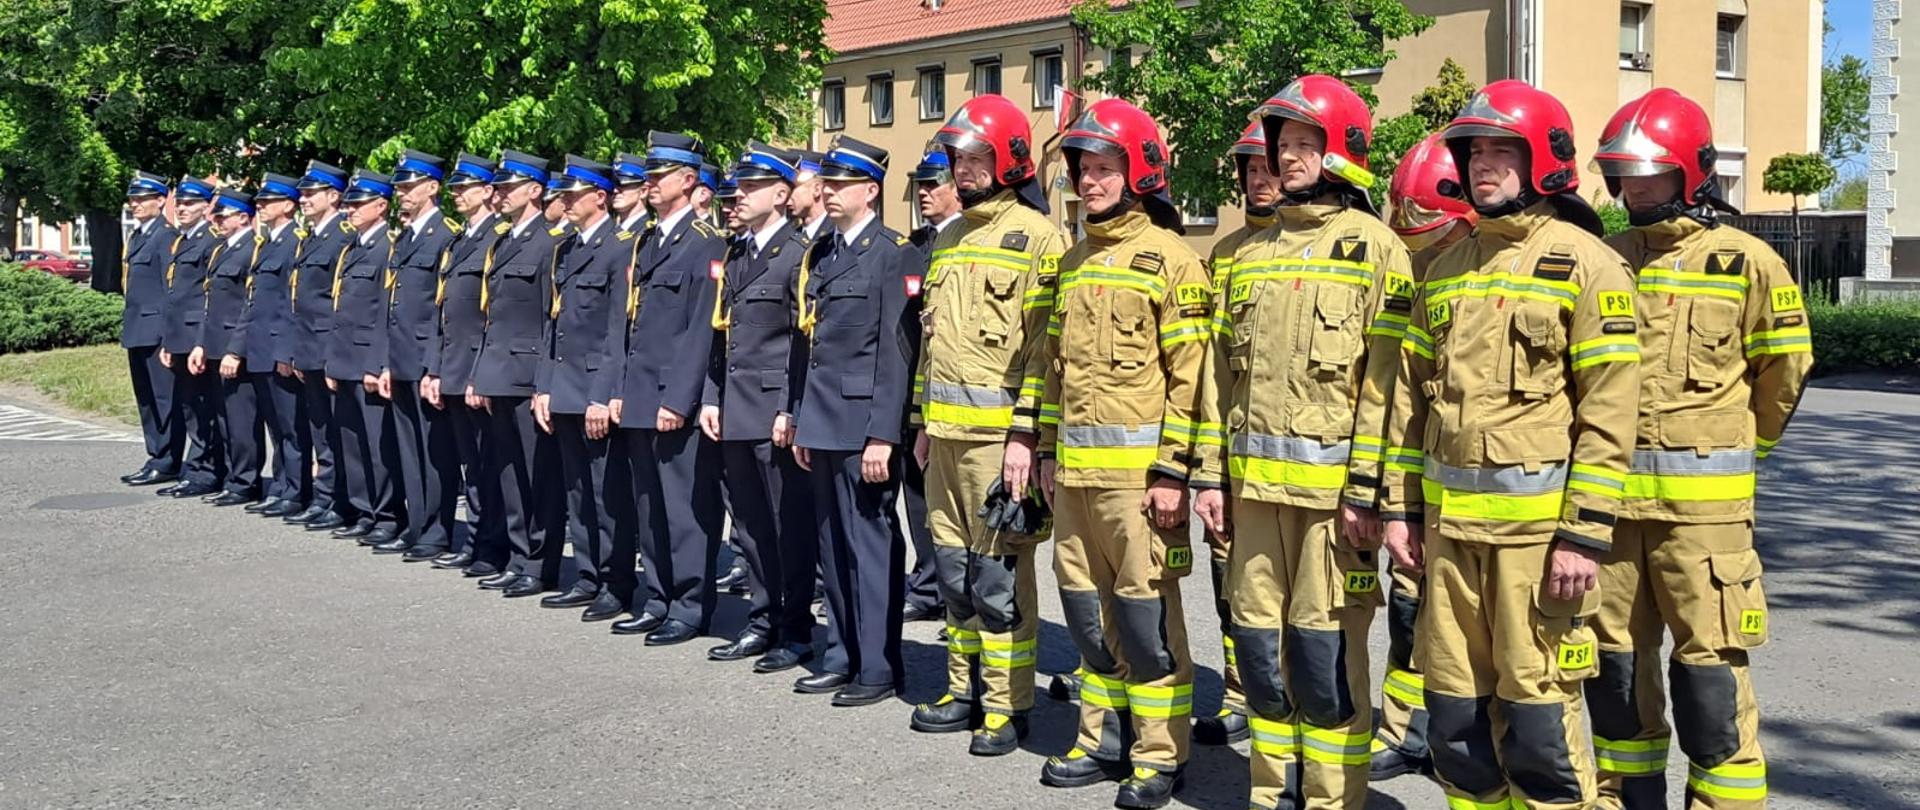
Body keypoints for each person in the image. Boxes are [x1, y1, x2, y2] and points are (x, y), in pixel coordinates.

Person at [1376, 80, 1640, 810]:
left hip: (1536, 547)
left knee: (1540, 735)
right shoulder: (1446, 271)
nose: (1483, 165)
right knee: (1456, 731)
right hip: (1451, 545)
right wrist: (1400, 513)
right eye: (1474, 152)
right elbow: (1408, 407)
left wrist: (1582, 538)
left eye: (1501, 150)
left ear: (1543, 160)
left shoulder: (1587, 265)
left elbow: (1610, 415)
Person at [1190, 76, 1413, 810]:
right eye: (1281, 145)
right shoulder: (1248, 257)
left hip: (1332, 508)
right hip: (1252, 500)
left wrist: (1368, 495)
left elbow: (1389, 389)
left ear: (1340, 149)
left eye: (1301, 144)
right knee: (1257, 649)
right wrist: (1206, 480)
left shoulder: (1378, 251)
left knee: (1323, 659)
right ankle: (1269, 793)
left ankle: (1328, 798)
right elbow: (1216, 384)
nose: (1285, 159)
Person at [1587, 88, 1812, 810]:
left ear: (1690, 171)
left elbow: (1785, 369)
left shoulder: (1745, 261)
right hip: (1612, 514)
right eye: (1622, 174)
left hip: (1703, 522)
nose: (1630, 188)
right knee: (1614, 673)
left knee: (1710, 679)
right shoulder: (1604, 260)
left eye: (1646, 173)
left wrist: (1745, 450)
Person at [1035, 98, 1211, 810]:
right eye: (1084, 169)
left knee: (1146, 623)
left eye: (1106, 168)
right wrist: (1045, 451)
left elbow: (1191, 381)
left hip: (1139, 487)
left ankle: (1160, 754)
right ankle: (1100, 734)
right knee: (1086, 616)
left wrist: (1173, 471)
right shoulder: (1073, 262)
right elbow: (1053, 371)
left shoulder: (1174, 262)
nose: (1092, 181)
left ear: (1139, 173)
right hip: (1074, 479)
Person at [903, 94, 1066, 756]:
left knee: (999, 578)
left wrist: (1027, 436)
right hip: (942, 439)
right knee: (951, 571)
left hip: (1001, 446)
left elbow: (1043, 353)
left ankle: (1006, 706)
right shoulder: (946, 238)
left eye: (974, 157)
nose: (961, 169)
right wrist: (919, 420)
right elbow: (931, 345)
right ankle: (963, 689)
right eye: (956, 159)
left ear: (1007, 159)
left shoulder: (1041, 237)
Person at [785, 135, 914, 707]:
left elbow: (895, 353)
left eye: (839, 185)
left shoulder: (891, 254)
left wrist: (884, 433)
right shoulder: (825, 253)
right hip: (824, 421)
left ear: (870, 189)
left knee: (870, 547)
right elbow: (810, 348)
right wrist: (801, 420)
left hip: (865, 427)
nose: (828, 193)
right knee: (832, 546)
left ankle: (879, 666)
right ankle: (841, 653)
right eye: (825, 184)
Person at [1366, 132, 1477, 784]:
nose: (1420, 258)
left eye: (1431, 243)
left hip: (1500, 498)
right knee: (1409, 611)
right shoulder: (1417, 281)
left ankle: (1462, 742)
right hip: (1425, 482)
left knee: (1481, 638)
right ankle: (1403, 732)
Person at [697, 143, 819, 673]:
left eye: (750, 188)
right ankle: (761, 619)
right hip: (735, 407)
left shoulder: (799, 253)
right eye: (737, 188)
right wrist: (709, 396)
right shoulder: (737, 253)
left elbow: (804, 343)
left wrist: (790, 409)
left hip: (773, 411)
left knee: (784, 524)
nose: (739, 197)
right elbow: (720, 336)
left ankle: (795, 629)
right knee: (749, 525)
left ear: (780, 193)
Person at [604, 131, 729, 645]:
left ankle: (689, 603)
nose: (650, 184)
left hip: (672, 398)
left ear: (688, 180)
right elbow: (630, 326)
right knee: (649, 505)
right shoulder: (648, 241)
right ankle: (658, 596)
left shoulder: (705, 242)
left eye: (659, 176)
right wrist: (619, 390)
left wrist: (679, 399)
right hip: (638, 394)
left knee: (684, 508)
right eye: (648, 176)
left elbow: (702, 329)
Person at [1188, 120, 1274, 752]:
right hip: (1233, 449)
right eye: (1249, 169)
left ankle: (1279, 698)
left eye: (1268, 167)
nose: (1258, 179)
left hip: (1298, 464)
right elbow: (1210, 366)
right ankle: (1241, 692)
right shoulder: (1224, 254)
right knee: (1228, 582)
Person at [534, 156, 634, 622]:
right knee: (578, 491)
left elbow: (619, 331)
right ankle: (590, 575)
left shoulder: (620, 248)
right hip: (565, 386)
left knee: (606, 494)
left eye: (575, 196)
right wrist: (544, 387)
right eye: (564, 196)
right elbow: (553, 327)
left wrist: (603, 393)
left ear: (601, 197)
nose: (566, 203)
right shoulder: (567, 249)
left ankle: (616, 582)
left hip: (595, 387)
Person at [469, 150, 565, 596]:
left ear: (535, 190)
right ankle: (517, 553)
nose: (501, 194)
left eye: (510, 187)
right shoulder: (503, 242)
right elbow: (493, 317)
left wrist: (545, 381)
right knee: (508, 470)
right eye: (500, 187)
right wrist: (481, 374)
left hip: (529, 374)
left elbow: (553, 319)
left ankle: (539, 563)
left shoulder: (550, 243)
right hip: (499, 372)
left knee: (536, 475)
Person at [424, 154, 506, 573]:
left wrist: (480, 374)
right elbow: (443, 313)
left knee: (488, 464)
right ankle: (475, 540)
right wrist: (434, 368)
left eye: (466, 188)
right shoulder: (459, 242)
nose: (458, 194)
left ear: (488, 191)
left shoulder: (498, 238)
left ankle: (492, 546)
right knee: (470, 465)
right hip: (454, 366)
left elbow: (494, 318)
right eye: (455, 188)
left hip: (479, 369)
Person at [379, 150, 461, 561]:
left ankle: (436, 530)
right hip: (400, 358)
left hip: (426, 358)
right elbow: (391, 304)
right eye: (400, 188)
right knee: (409, 448)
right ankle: (417, 525)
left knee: (434, 451)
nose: (403, 194)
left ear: (433, 187)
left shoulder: (445, 235)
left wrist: (434, 365)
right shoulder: (407, 236)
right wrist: (384, 362)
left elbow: (442, 308)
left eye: (410, 187)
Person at [896, 147, 960, 626]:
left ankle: (954, 587)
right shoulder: (912, 247)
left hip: (954, 393)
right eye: (919, 184)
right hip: (910, 390)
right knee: (916, 494)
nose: (923, 193)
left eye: (932, 184)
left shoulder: (965, 241)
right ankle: (927, 581)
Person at [324, 169, 402, 548]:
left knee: (377, 446)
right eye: (349, 203)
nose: (349, 209)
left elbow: (385, 312)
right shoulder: (352, 248)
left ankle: (387, 515)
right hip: (344, 358)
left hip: (367, 360)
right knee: (352, 442)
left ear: (380, 205)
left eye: (357, 203)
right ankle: (363, 509)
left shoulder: (387, 247)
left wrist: (377, 363)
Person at [281, 161, 355, 531]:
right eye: (304, 193)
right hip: (308, 346)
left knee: (336, 430)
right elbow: (301, 301)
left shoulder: (341, 237)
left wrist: (330, 355)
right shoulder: (310, 237)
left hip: (328, 348)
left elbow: (339, 304)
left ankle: (339, 500)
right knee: (320, 430)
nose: (304, 199)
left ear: (334, 196)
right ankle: (325, 497)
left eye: (312, 193)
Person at [237, 174, 309, 519]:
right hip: (261, 347)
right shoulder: (266, 244)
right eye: (260, 202)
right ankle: (281, 485)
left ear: (288, 205)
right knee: (276, 427)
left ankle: (296, 491)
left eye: (268, 202)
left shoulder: (295, 241)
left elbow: (293, 304)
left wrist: (288, 352)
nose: (261, 207)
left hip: (280, 349)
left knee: (292, 428)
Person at [192, 187, 267, 506]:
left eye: (223, 216)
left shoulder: (252, 249)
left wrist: (236, 349)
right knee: (223, 417)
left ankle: (245, 481)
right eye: (217, 216)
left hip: (237, 349)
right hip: (215, 346)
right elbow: (211, 303)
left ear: (243, 217)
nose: (217, 221)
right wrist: (200, 344)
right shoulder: (222, 250)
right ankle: (231, 477)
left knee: (241, 420)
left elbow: (250, 306)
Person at [154, 176, 225, 500]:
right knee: (190, 408)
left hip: (199, 337)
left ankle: (207, 471)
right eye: (179, 203)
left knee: (205, 408)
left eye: (191, 204)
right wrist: (169, 341)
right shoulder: (182, 241)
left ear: (207, 207)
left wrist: (199, 341)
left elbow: (208, 298)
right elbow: (175, 297)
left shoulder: (210, 241)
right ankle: (196, 468)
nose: (182, 209)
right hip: (179, 337)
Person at [119, 171, 184, 487]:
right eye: (133, 199)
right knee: (146, 400)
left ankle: (169, 460)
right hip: (136, 330)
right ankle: (155, 454)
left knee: (164, 400)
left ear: (161, 201)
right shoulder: (138, 236)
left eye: (142, 198)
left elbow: (170, 290)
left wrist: (169, 337)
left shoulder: (166, 236)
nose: (135, 204)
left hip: (157, 332)